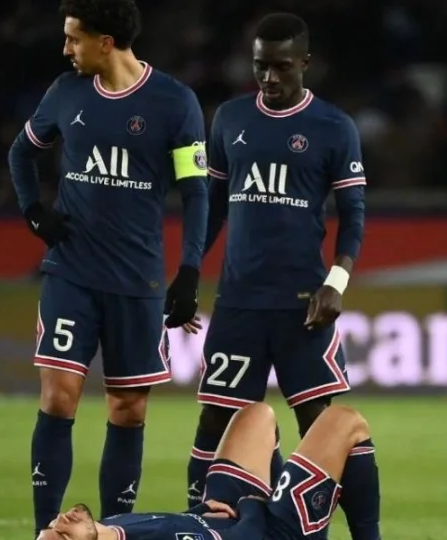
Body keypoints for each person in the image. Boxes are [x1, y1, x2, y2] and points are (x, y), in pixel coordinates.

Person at [7, 0, 209, 534]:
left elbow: (196, 192)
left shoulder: (174, 102)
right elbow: (20, 153)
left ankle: (110, 532)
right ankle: (46, 532)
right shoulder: (65, 92)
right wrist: (33, 213)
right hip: (70, 272)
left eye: (74, 38)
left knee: (127, 411)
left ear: (105, 41)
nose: (65, 49)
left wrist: (190, 270)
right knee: (58, 397)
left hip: (137, 281)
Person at [185, 11, 367, 529]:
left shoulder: (334, 127)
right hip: (239, 303)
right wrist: (188, 269)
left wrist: (336, 282)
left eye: (281, 67)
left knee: (322, 429)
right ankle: (198, 526)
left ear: (305, 63)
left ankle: (354, 530)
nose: (268, 78)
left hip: (302, 305)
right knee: (216, 420)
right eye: (260, 66)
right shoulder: (230, 118)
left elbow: (354, 215)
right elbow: (213, 207)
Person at [37, 402, 380, 540]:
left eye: (52, 526)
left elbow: (171, 525)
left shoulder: (109, 529)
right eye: (64, 536)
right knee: (345, 420)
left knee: (255, 416)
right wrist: (251, 506)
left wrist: (199, 511)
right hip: (261, 532)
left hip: (217, 518)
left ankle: (285, 504)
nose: (62, 520)